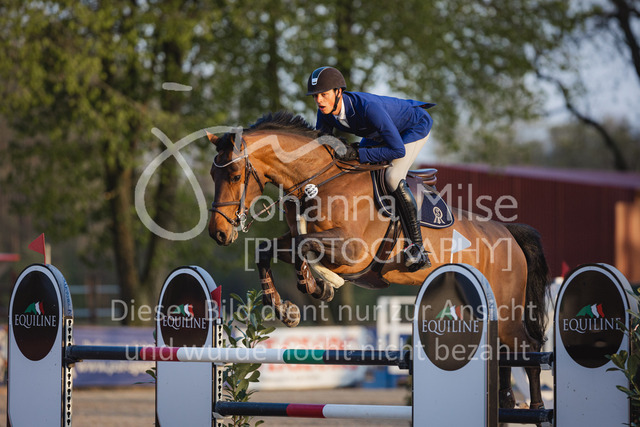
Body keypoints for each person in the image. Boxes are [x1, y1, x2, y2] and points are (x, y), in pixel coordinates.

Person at [306, 66, 434, 272]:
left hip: (413, 126)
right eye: (315, 96)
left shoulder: (368, 108)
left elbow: (397, 150)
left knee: (392, 177)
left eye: (324, 94)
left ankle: (417, 247)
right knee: (352, 169)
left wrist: (358, 153)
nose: (319, 100)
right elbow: (322, 150)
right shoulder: (326, 112)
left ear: (338, 92)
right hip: (379, 133)